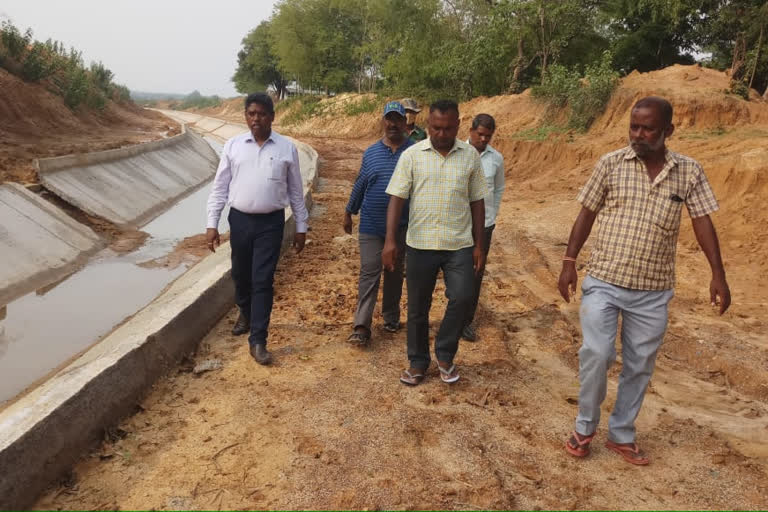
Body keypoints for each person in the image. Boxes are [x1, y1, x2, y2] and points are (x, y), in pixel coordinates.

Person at [559, 96, 730, 464]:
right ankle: (584, 427)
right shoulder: (610, 163)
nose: (638, 134)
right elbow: (586, 213)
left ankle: (621, 433)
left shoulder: (688, 171)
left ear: (668, 130)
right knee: (597, 353)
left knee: (640, 365)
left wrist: (718, 273)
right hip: (605, 279)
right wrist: (569, 260)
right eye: (634, 126)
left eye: (647, 128)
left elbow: (703, 221)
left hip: (653, 291)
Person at [383, 99, 487, 385]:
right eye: (436, 128)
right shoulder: (412, 155)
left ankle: (445, 353)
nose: (442, 134)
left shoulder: (470, 157)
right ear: (427, 125)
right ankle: (417, 362)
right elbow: (396, 198)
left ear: (458, 125)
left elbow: (478, 202)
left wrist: (480, 245)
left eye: (448, 128)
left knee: (463, 296)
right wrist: (390, 240)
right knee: (418, 307)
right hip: (420, 244)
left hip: (459, 245)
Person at [206, 92, 309, 366]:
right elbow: (219, 187)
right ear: (245, 116)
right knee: (241, 274)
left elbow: (296, 192)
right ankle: (246, 311)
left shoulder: (286, 149)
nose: (256, 119)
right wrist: (211, 224)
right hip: (239, 220)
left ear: (272, 117)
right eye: (251, 113)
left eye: (262, 114)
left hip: (271, 223)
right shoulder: (233, 146)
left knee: (263, 280)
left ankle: (258, 340)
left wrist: (301, 226)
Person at [344, 101, 413, 346]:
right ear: (383, 122)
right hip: (371, 225)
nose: (393, 124)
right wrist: (349, 211)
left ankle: (391, 317)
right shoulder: (371, 153)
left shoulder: (415, 152)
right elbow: (361, 183)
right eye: (389, 119)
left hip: (403, 226)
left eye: (398, 119)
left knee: (394, 273)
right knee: (369, 271)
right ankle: (362, 325)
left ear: (406, 122)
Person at [462, 114, 505, 342]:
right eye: (480, 134)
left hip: (484, 226)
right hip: (459, 223)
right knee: (456, 272)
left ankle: (465, 321)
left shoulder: (496, 159)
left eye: (488, 136)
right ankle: (453, 317)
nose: (483, 139)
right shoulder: (457, 152)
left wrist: (492, 214)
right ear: (470, 131)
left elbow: (498, 189)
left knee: (476, 272)